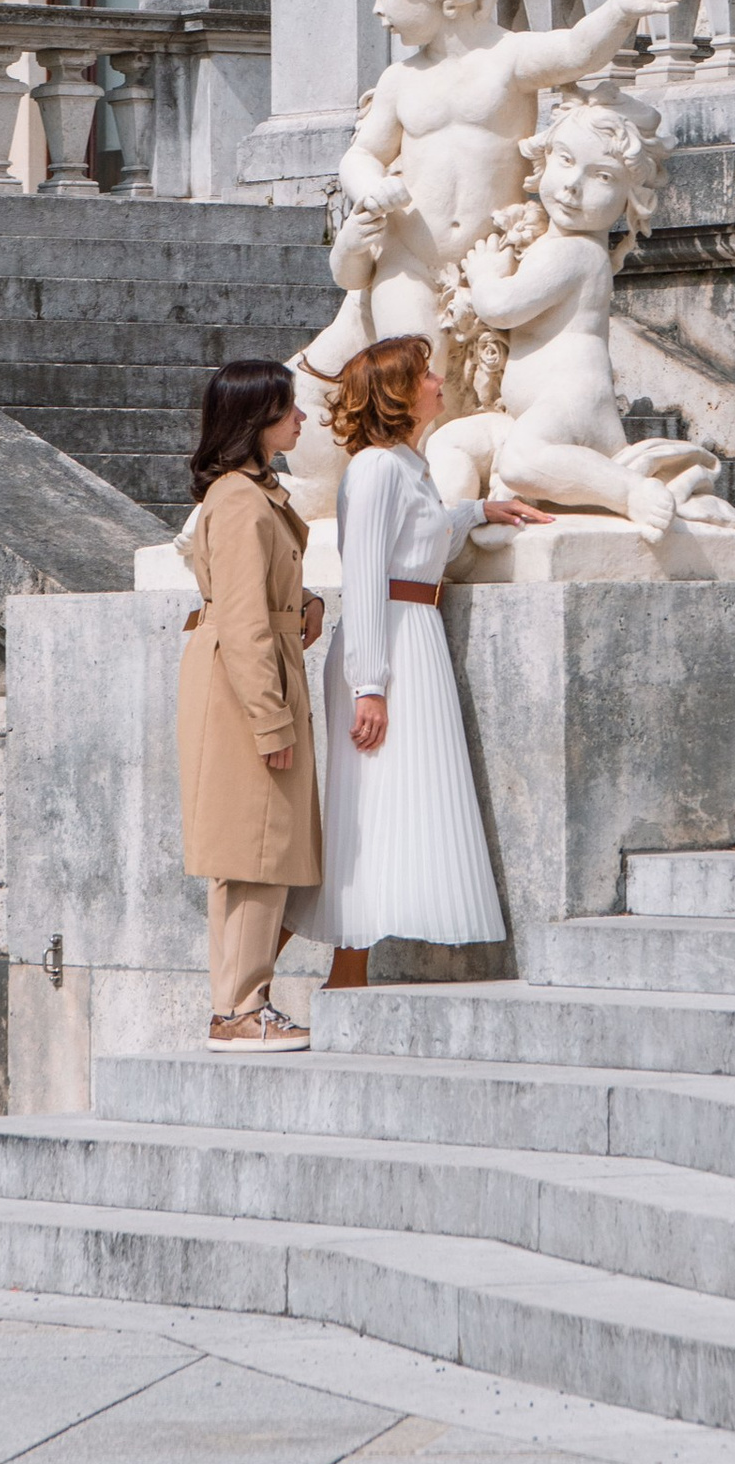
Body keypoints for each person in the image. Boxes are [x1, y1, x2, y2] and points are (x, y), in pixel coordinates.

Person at [313, 335, 544, 985]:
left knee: (390, 801)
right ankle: (271, 980)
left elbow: (424, 541)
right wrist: (368, 684)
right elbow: (361, 576)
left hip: (414, 634)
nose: (440, 380)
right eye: (425, 375)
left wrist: (475, 510)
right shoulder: (374, 470)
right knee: (365, 802)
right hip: (385, 640)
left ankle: (347, 974)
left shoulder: (405, 465)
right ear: (399, 393)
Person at [176, 358, 324, 1050]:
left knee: (252, 848)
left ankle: (240, 1004)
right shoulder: (238, 501)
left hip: (249, 678)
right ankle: (240, 1009)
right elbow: (240, 620)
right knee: (255, 848)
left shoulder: (247, 494)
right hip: (246, 690)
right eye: (289, 409)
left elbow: (254, 599)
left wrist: (304, 605)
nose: (302, 419)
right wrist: (270, 719)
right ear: (256, 421)